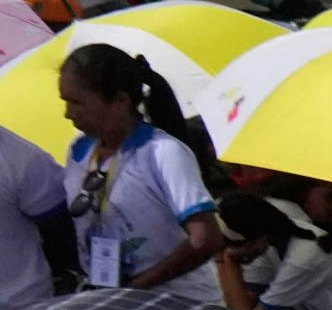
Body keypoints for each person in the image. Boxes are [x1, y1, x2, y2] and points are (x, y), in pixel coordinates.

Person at [55, 39, 217, 290]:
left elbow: (206, 240)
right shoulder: (79, 152)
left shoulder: (163, 153)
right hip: (110, 301)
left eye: (77, 102)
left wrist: (136, 288)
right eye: (65, 101)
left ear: (120, 101)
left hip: (178, 304)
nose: (67, 113)